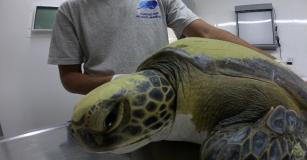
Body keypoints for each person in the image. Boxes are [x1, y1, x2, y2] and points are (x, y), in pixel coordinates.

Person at [48, 0, 274, 95]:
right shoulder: (70, 10)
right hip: (109, 108)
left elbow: (206, 32)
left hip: (165, 103)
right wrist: (118, 82)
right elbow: (69, 78)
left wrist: (270, 62)